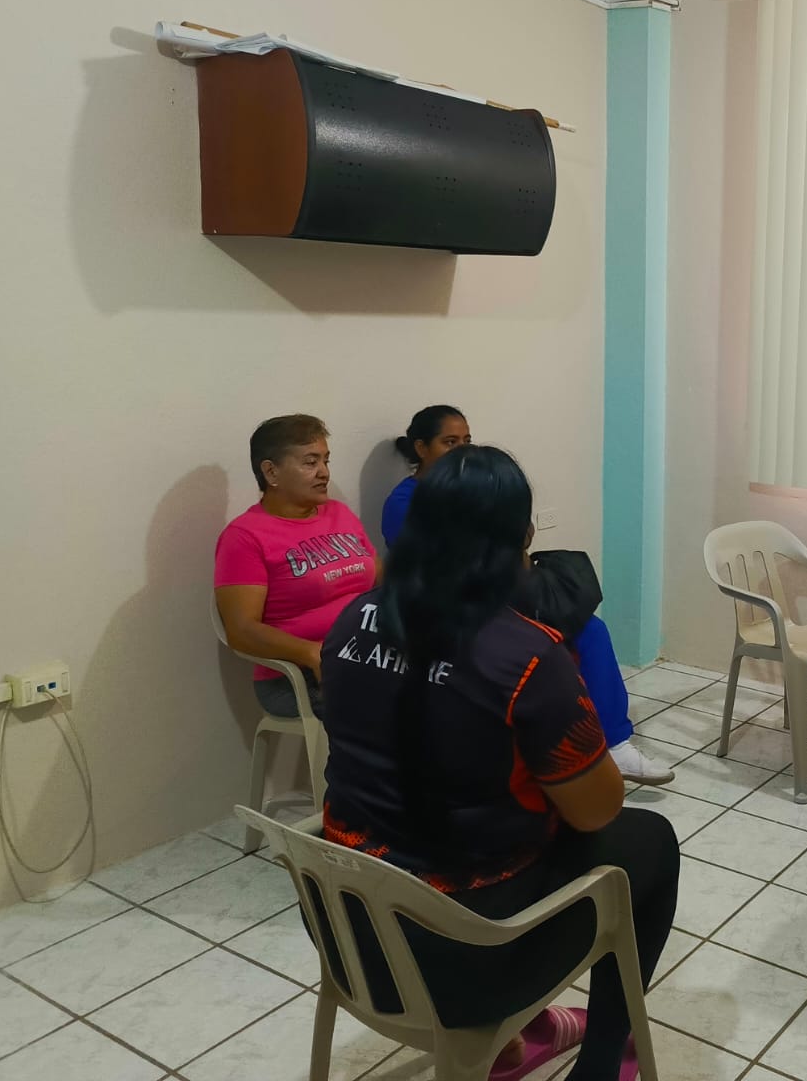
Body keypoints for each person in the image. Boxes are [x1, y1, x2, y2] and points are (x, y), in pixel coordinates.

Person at [322, 445, 679, 1081]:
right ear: (522, 539)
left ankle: (514, 1040)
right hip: (462, 956)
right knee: (650, 841)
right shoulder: (526, 656)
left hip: (346, 927)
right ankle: (599, 1064)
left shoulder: (351, 620)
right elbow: (598, 809)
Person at [381, 405, 673, 785]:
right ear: (421, 448)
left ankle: (614, 742)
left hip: (495, 589)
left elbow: (510, 538)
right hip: (453, 604)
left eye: (466, 440)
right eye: (449, 442)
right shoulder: (405, 503)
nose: (462, 450)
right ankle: (581, 743)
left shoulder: (474, 488)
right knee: (561, 636)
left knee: (589, 628)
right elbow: (441, 562)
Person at [214, 414, 378, 717]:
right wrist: (311, 653)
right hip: (298, 674)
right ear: (271, 472)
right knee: (416, 706)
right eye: (310, 462)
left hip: (369, 652)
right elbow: (241, 630)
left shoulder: (339, 514)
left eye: (326, 460)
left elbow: (382, 581)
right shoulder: (244, 537)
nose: (324, 472)